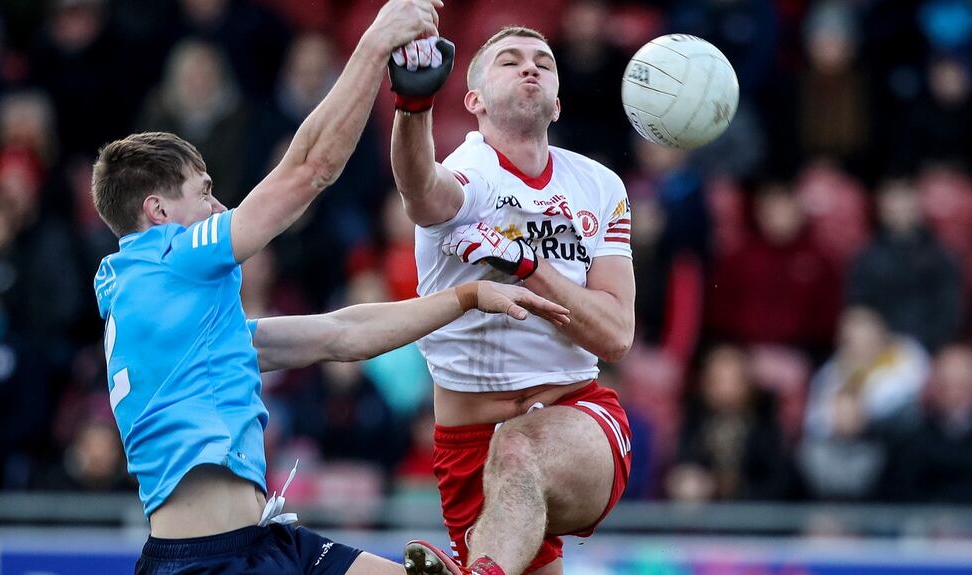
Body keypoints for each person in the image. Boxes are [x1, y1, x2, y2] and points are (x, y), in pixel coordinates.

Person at [91, 3, 568, 574]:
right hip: (206, 562)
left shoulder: (171, 309)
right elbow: (309, 169)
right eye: (205, 192)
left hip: (260, 542)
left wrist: (464, 298)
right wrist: (374, 45)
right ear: (158, 210)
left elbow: (342, 333)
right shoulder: (167, 262)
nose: (221, 208)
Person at [388, 27, 635, 575]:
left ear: (557, 102)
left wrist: (526, 265)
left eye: (544, 63)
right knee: (510, 468)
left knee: (519, 448)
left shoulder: (600, 186)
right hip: (468, 446)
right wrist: (413, 109)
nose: (531, 69)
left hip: (580, 415)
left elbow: (616, 336)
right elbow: (420, 189)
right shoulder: (468, 177)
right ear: (473, 99)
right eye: (510, 61)